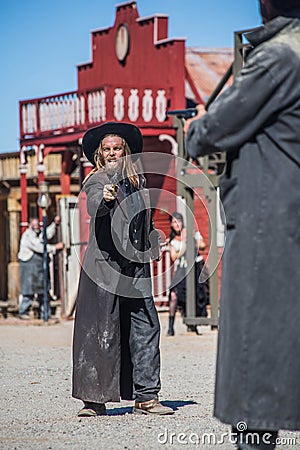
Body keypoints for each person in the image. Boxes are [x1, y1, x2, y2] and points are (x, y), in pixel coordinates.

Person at [185, 0, 300, 448]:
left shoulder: (278, 56)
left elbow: (210, 131)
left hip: (267, 220)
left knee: (255, 343)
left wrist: (196, 125)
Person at [72, 121, 174, 417]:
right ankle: (93, 401)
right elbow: (94, 205)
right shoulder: (96, 180)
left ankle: (146, 397)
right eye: (107, 149)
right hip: (104, 269)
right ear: (100, 155)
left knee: (146, 328)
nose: (113, 153)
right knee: (100, 331)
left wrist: (156, 239)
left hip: (135, 271)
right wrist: (103, 199)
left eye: (117, 148)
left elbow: (144, 223)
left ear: (126, 151)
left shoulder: (138, 184)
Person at [166, 212, 207, 336]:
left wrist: (191, 239)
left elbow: (203, 245)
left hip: (194, 268)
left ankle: (192, 326)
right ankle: (170, 327)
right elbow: (173, 257)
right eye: (174, 222)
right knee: (173, 295)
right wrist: (185, 245)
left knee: (194, 295)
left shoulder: (192, 233)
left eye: (178, 221)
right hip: (181, 270)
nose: (176, 224)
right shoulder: (173, 240)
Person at [18, 216, 63, 320]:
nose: (36, 226)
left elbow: (47, 234)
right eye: (34, 225)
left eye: (37, 224)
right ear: (30, 225)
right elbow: (39, 247)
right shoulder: (28, 235)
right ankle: (23, 312)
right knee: (28, 291)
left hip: (39, 268)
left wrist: (54, 224)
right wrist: (55, 247)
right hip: (29, 267)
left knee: (43, 291)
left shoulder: (39, 233)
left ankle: (45, 313)